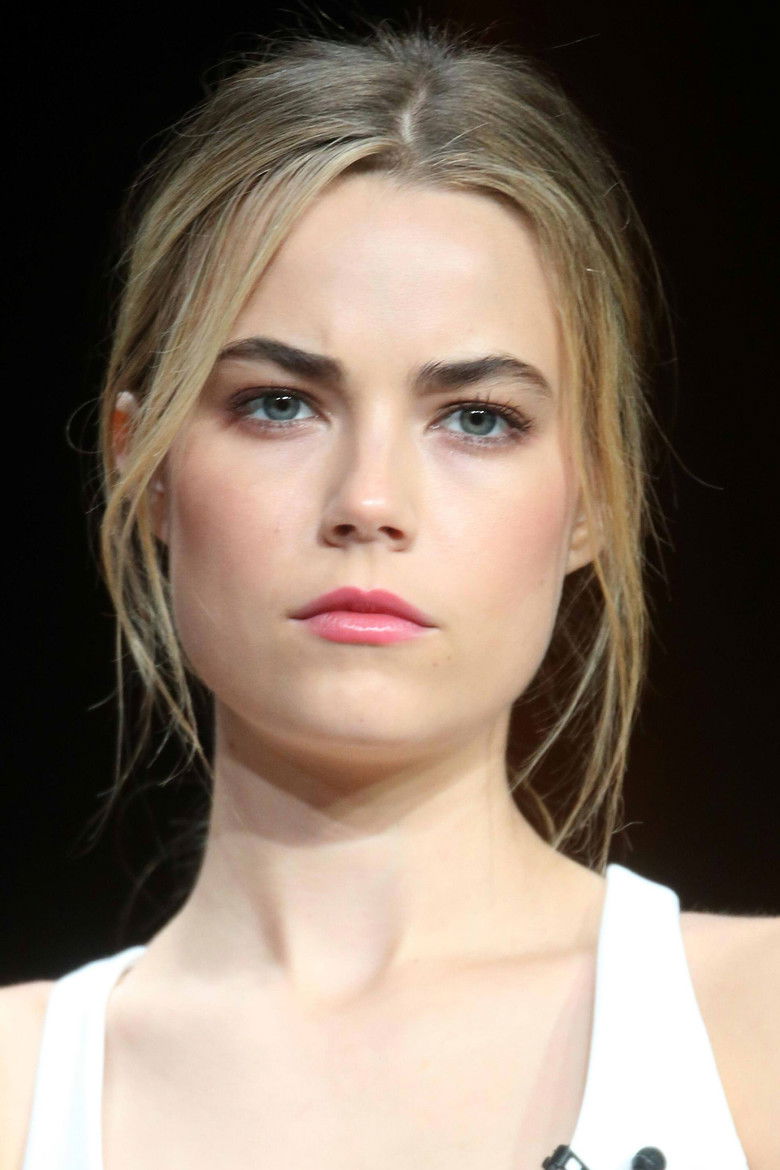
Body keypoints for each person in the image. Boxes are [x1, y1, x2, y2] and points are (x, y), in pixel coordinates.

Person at [1, 18, 777, 1170]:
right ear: (143, 465)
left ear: (594, 498)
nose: (368, 501)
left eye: (477, 419)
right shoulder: (18, 1089)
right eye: (278, 404)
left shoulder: (754, 1033)